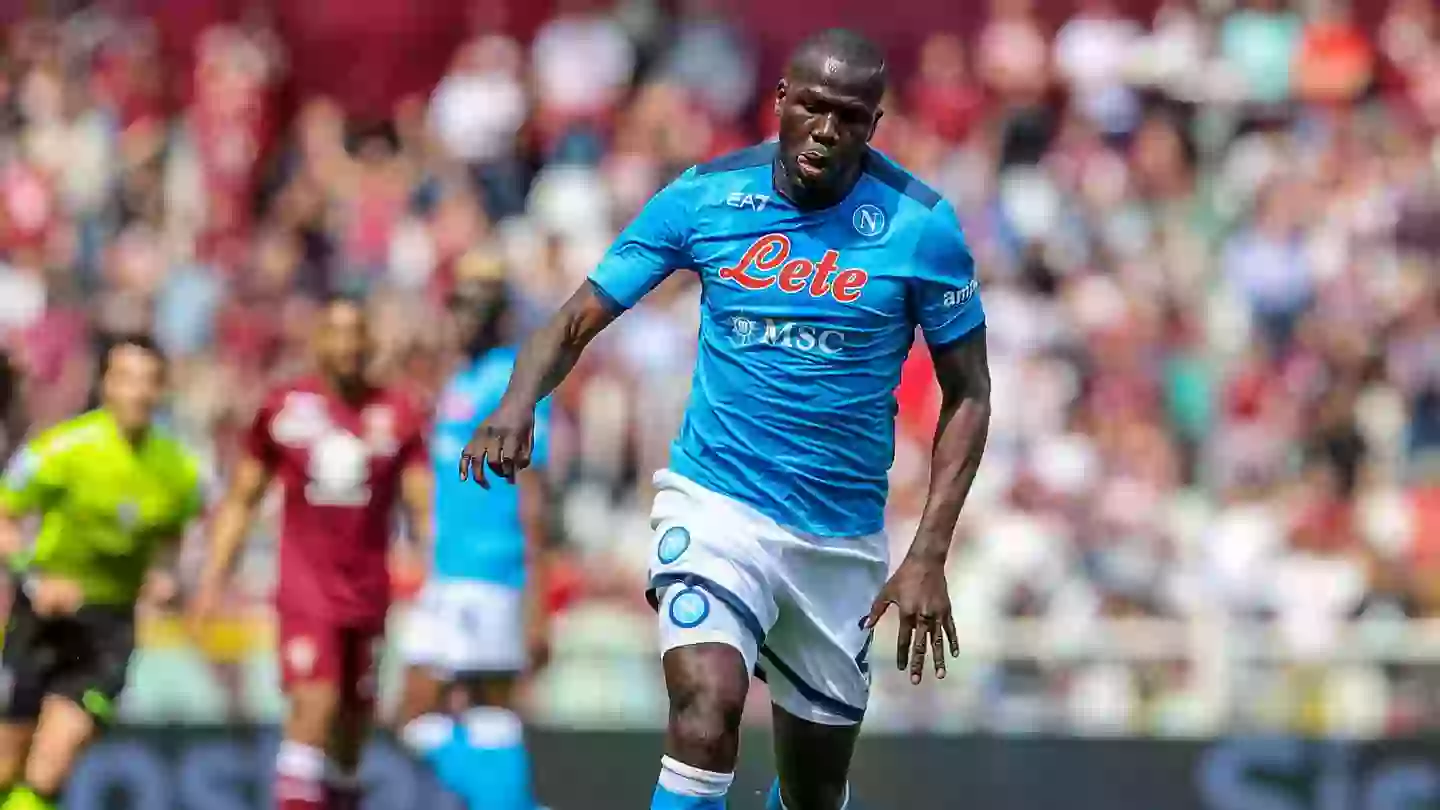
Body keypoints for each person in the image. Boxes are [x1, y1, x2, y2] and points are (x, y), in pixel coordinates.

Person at [461, 27, 992, 810]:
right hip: (718, 506)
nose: (826, 130)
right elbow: (576, 315)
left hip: (838, 540)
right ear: (780, 101)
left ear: (874, 125)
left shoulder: (923, 227)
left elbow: (970, 393)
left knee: (814, 791)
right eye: (812, 107)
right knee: (705, 708)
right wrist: (517, 401)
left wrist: (928, 553)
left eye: (850, 117)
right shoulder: (705, 197)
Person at [188, 296, 432, 810]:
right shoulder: (284, 409)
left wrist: (436, 577)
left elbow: (422, 505)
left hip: (368, 593)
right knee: (311, 708)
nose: (345, 344)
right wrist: (212, 580)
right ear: (317, 340)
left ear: (369, 342)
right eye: (334, 331)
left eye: (355, 332)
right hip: (306, 590)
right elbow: (241, 500)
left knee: (350, 737)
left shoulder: (398, 413)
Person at [0, 335, 205, 810]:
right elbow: (4, 517)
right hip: (41, 619)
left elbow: (172, 544)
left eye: (149, 381)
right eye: (127, 379)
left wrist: (167, 577)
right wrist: (34, 574)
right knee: (8, 762)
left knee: (54, 758)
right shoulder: (63, 449)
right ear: (107, 385)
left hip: (107, 628)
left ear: (162, 390)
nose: (137, 392)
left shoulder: (179, 471)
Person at [395, 258, 553, 809]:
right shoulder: (460, 381)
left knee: (474, 709)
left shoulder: (514, 382)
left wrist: (537, 600)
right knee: (422, 712)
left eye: (477, 305)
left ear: (499, 316)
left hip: (491, 573)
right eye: (457, 303)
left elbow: (534, 501)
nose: (463, 316)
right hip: (449, 570)